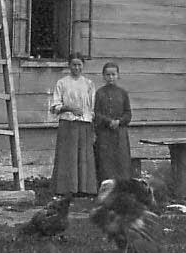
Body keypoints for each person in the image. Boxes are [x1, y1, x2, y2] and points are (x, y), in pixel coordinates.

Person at [49, 53, 97, 196]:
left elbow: (92, 107)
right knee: (68, 156)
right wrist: (69, 108)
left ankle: (84, 188)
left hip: (84, 125)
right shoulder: (62, 83)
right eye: (73, 65)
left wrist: (91, 122)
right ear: (69, 66)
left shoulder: (89, 84)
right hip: (68, 124)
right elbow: (55, 106)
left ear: (83, 66)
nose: (76, 68)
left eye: (79, 65)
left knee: (83, 156)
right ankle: (66, 188)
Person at [93, 61, 133, 182]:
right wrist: (108, 121)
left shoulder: (123, 93)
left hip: (120, 133)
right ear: (103, 76)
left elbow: (128, 113)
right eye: (108, 75)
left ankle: (122, 187)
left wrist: (119, 121)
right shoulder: (99, 93)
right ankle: (106, 187)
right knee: (105, 161)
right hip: (104, 133)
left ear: (118, 75)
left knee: (121, 160)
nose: (111, 77)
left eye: (113, 74)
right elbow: (96, 113)